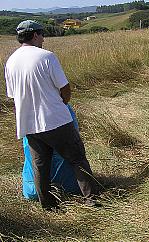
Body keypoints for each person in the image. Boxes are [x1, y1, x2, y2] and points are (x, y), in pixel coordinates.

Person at [4, 20, 99, 210]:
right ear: (35, 35)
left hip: (28, 124)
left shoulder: (11, 61)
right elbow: (65, 88)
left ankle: (47, 205)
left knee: (40, 166)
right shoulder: (46, 57)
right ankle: (92, 199)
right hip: (55, 120)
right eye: (41, 33)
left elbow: (12, 95)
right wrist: (63, 103)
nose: (44, 38)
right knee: (77, 158)